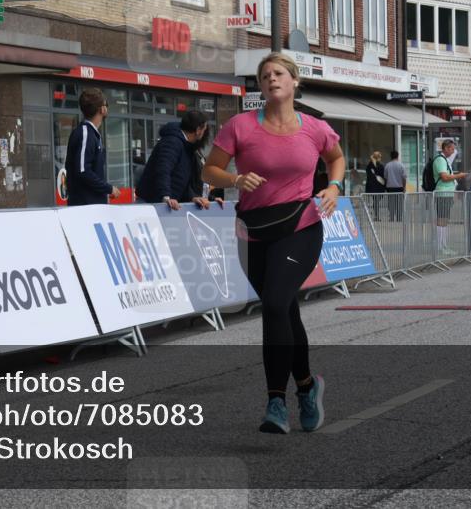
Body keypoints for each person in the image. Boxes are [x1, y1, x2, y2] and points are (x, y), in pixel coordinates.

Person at [201, 52, 345, 435]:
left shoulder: (314, 128)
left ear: (294, 81)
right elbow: (209, 169)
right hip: (253, 230)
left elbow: (337, 158)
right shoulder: (240, 125)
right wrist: (234, 180)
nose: (271, 79)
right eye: (265, 75)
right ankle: (307, 386)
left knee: (277, 305)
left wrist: (333, 186)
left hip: (301, 225)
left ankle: (276, 401)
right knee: (282, 310)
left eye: (278, 73)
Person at [137, 110, 214, 210]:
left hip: (166, 205)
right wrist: (166, 196)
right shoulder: (172, 142)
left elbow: (180, 180)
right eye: (204, 130)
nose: (204, 134)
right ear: (198, 130)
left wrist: (192, 197)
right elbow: (163, 169)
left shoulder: (187, 147)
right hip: (152, 204)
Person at [65, 88, 120, 206]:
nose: (107, 108)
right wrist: (108, 188)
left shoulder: (90, 133)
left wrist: (104, 191)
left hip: (90, 205)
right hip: (85, 208)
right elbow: (83, 171)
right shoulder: (86, 133)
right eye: (106, 104)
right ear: (102, 109)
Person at [432, 140, 467, 255]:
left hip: (447, 193)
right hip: (443, 193)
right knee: (441, 220)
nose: (453, 151)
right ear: (446, 148)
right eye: (452, 149)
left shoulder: (444, 160)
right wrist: (459, 175)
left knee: (444, 220)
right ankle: (440, 246)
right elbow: (444, 177)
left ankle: (443, 245)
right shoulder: (440, 160)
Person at [384, 150, 407, 221]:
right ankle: (399, 218)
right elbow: (404, 177)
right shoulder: (401, 165)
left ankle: (391, 217)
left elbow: (385, 177)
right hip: (399, 187)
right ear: (398, 156)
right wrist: (404, 187)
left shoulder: (387, 165)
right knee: (399, 204)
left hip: (390, 187)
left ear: (391, 156)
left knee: (391, 203)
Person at [364, 151, 386, 221]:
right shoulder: (380, 166)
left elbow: (368, 175)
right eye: (380, 157)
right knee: (376, 201)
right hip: (378, 187)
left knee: (374, 201)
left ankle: (374, 215)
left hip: (371, 187)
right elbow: (383, 176)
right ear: (378, 157)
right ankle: (376, 216)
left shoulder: (369, 165)